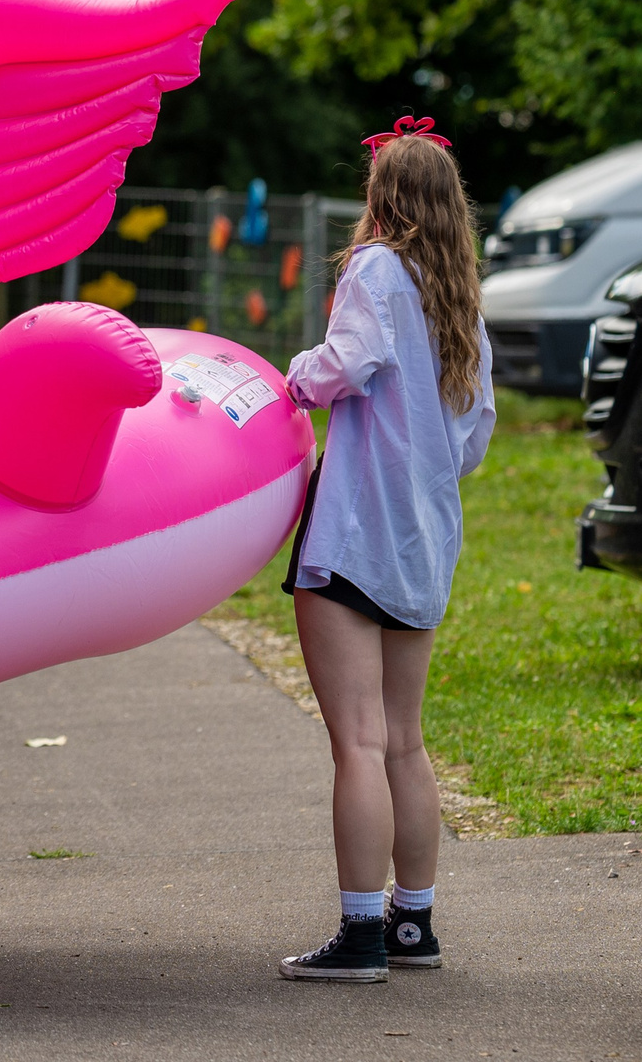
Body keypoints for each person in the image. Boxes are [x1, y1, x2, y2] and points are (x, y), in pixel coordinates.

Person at [277, 120, 495, 983]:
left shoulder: (373, 270)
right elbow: (474, 435)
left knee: (358, 744)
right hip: (423, 540)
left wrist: (293, 378)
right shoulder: (463, 302)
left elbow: (347, 362)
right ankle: (414, 924)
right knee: (404, 740)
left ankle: (359, 934)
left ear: (383, 199)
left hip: (353, 535)